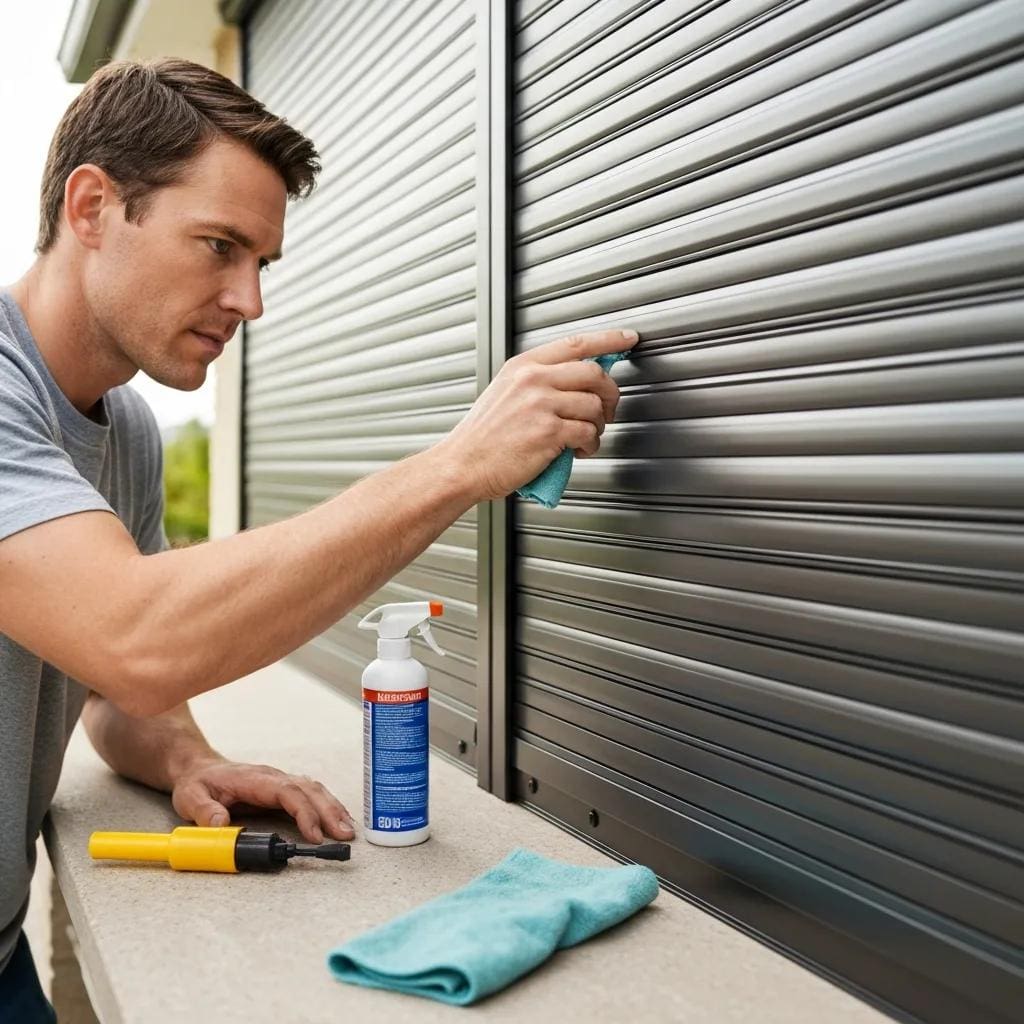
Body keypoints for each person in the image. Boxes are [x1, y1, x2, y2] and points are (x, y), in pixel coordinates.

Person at [0, 57, 635, 1019]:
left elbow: (116, 687)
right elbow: (138, 637)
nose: (250, 301)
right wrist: (460, 464)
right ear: (92, 208)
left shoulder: (120, 430)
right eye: (218, 246)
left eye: (262, 262)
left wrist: (184, 757)